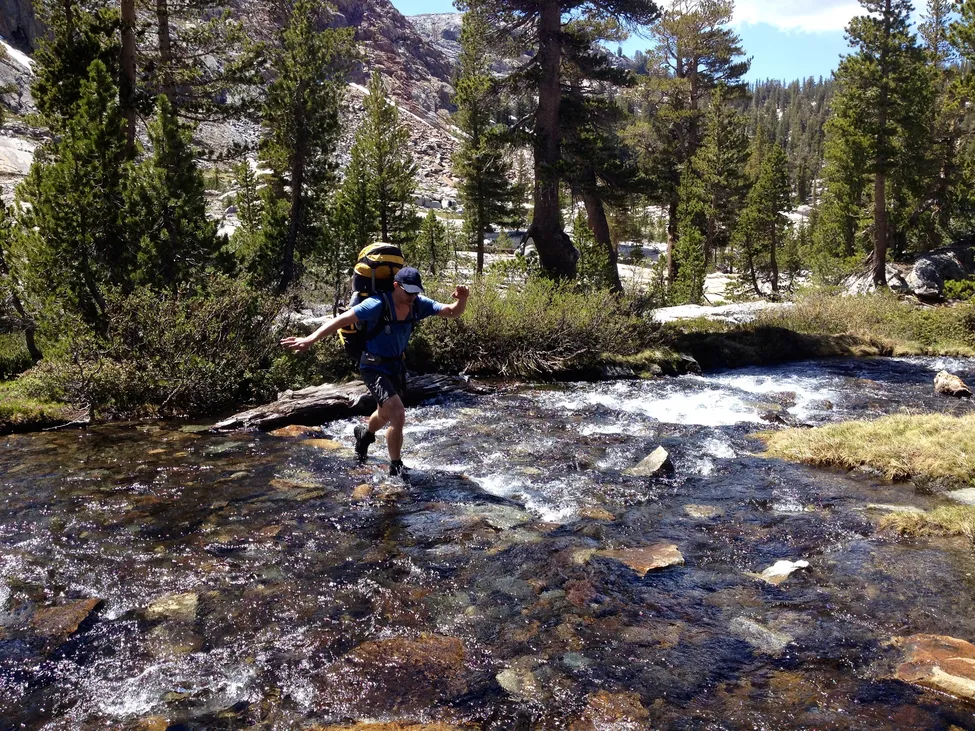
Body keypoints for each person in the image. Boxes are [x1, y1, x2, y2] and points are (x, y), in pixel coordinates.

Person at [280, 267, 469, 479]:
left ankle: (364, 434)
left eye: (416, 292)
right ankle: (396, 467)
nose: (413, 297)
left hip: (396, 367)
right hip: (373, 367)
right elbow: (341, 320)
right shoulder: (377, 304)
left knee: (384, 413)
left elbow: (452, 311)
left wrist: (462, 299)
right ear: (396, 286)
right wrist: (310, 339)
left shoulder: (418, 304)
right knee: (397, 413)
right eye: (409, 292)